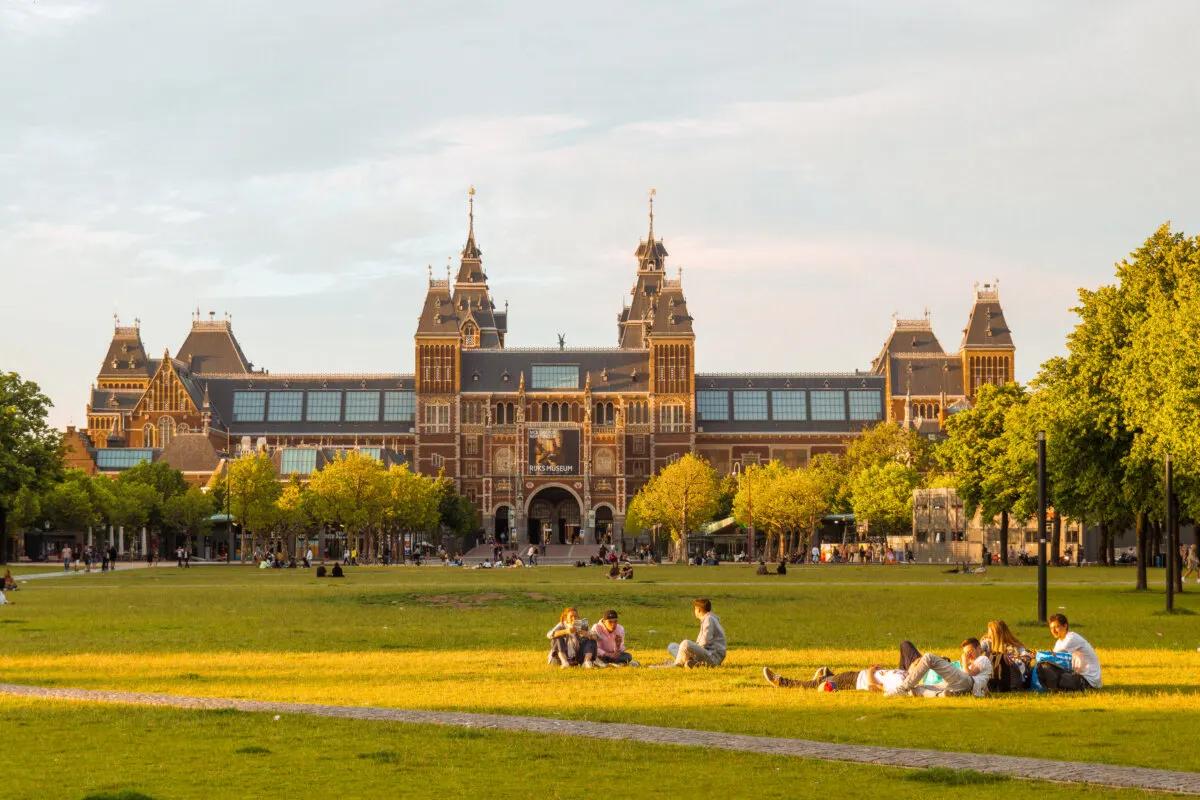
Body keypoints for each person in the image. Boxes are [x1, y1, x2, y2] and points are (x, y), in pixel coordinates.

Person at [891, 638, 993, 697]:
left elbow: (969, 674)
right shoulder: (980, 663)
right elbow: (983, 682)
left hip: (966, 682)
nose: (968, 656)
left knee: (929, 657)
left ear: (979, 648)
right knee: (915, 689)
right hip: (960, 687)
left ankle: (902, 688)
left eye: (970, 652)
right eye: (966, 653)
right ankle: (941, 695)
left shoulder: (983, 658)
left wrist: (964, 661)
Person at [1036, 613, 1101, 691]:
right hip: (1078, 675)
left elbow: (1052, 658)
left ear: (1065, 626)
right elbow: (1054, 660)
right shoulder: (1059, 641)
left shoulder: (1071, 638)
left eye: (1057, 627)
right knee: (1047, 669)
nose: (1053, 631)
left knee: (1049, 669)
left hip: (1088, 680)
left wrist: (1037, 655)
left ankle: (1052, 687)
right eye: (1051, 628)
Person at [663, 598, 726, 668]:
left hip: (713, 657)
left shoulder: (709, 619)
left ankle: (677, 664)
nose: (694, 611)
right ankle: (690, 662)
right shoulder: (708, 618)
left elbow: (705, 641)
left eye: (695, 609)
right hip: (707, 654)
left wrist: (692, 652)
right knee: (672, 646)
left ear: (698, 609)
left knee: (685, 643)